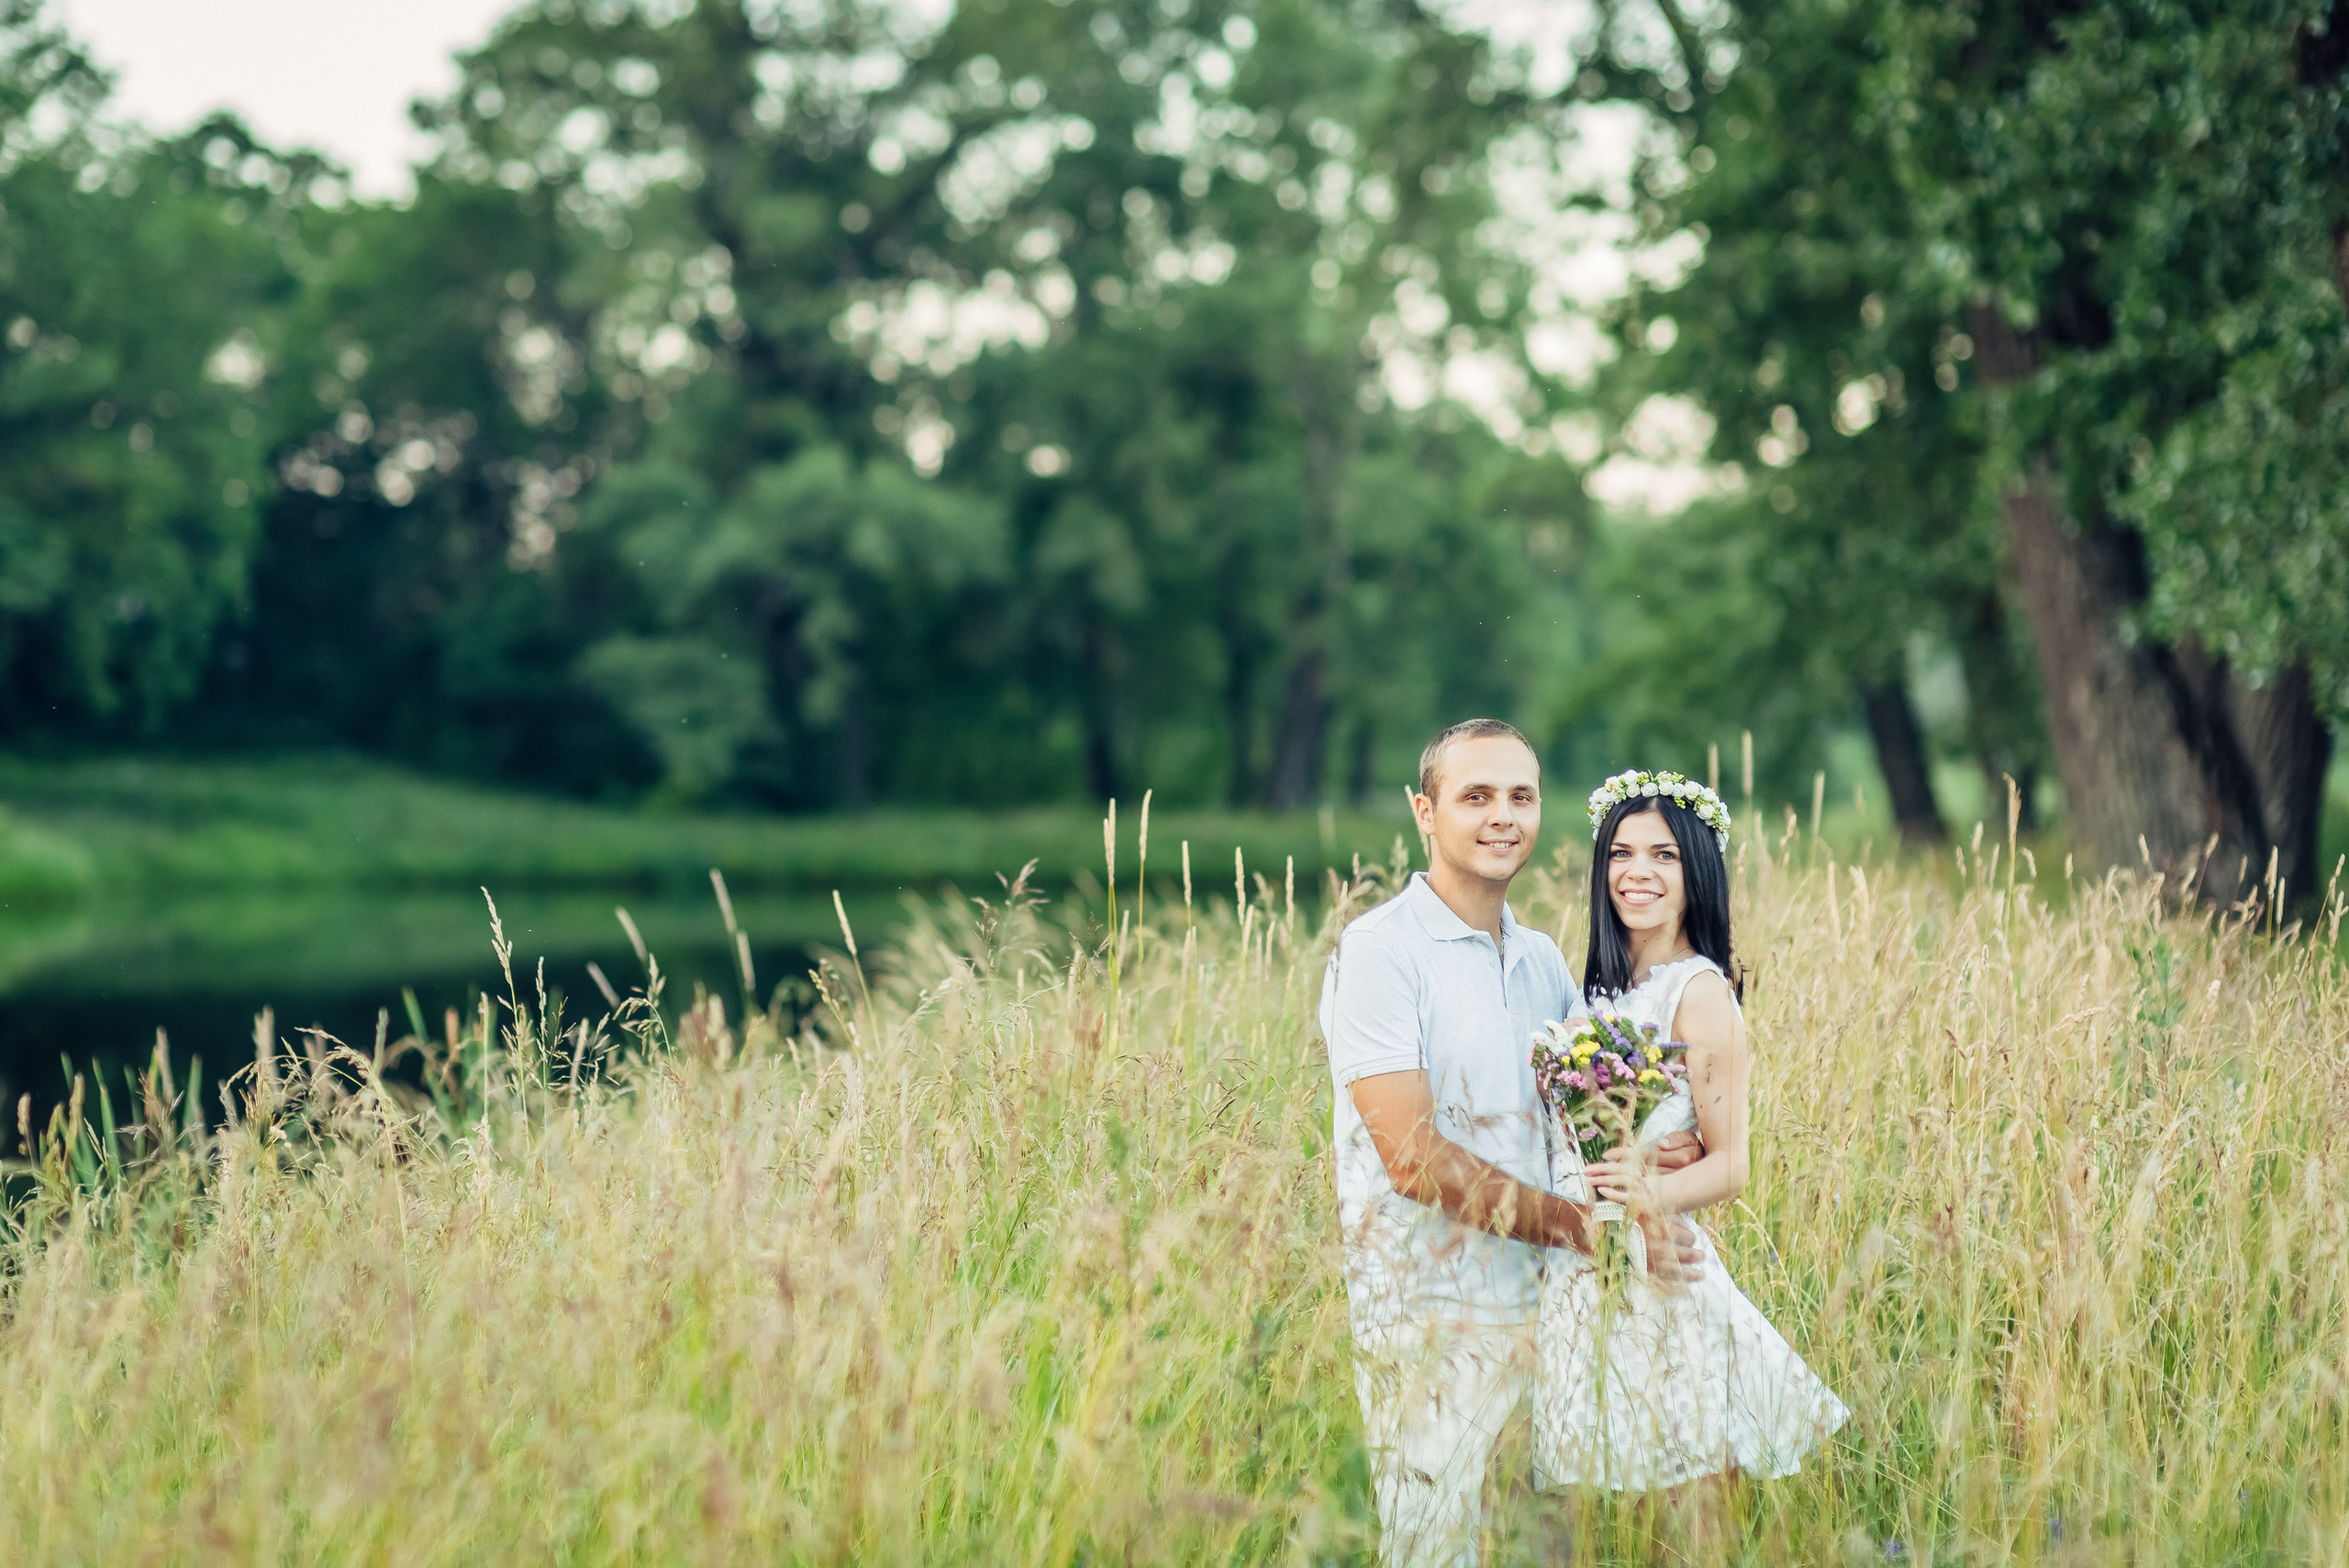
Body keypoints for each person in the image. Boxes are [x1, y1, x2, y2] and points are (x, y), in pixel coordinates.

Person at [1319, 721, 1706, 1568]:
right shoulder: (1378, 951)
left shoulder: (1540, 962)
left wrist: (1655, 1160)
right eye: (1477, 796)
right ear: (1425, 812)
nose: (1503, 816)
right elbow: (1412, 1157)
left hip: (1550, 1310)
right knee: (1435, 1548)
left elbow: (1590, 1121)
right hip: (1427, 1316)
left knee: (1545, 1547)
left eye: (1521, 796)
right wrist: (1586, 1230)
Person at [1531, 770, 1848, 1518]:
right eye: (1621, 853)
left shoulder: (1700, 994)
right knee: (1595, 1505)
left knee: (1676, 1499)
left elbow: (1731, 1164)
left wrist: (1647, 1195)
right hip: (1579, 1263)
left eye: (1663, 855)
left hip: (1658, 1274)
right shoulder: (1600, 989)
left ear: (1696, 870)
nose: (1637, 872)